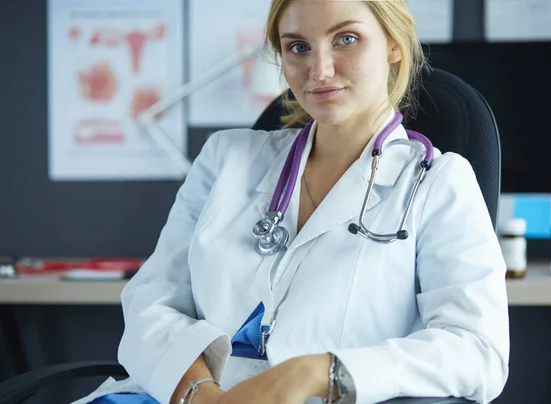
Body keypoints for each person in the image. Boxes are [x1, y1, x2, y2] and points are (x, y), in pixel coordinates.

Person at [74, 0, 509, 403]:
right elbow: (153, 300)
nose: (318, 70)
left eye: (346, 39)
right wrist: (202, 394)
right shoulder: (226, 159)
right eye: (298, 46)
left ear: (393, 45)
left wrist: (321, 372)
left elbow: (477, 347)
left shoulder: (438, 183)